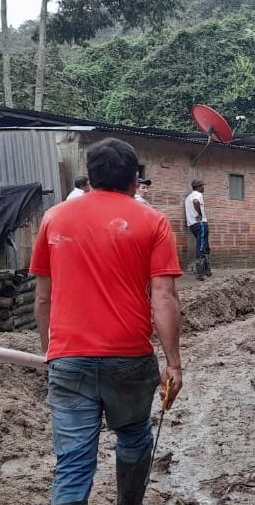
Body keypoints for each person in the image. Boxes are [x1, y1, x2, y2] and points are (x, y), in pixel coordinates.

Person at [30, 137, 183, 505]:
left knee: (74, 464)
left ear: (92, 178)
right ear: (134, 180)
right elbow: (163, 297)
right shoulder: (154, 222)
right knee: (134, 439)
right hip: (129, 359)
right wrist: (173, 363)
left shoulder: (54, 218)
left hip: (69, 360)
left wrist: (51, 353)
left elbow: (42, 297)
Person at [184, 179, 211, 280]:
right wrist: (200, 214)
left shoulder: (188, 198)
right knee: (202, 247)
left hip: (192, 225)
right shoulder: (197, 195)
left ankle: (207, 270)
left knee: (204, 245)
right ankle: (201, 273)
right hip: (200, 224)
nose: (203, 187)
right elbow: (196, 202)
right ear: (198, 187)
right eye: (202, 186)